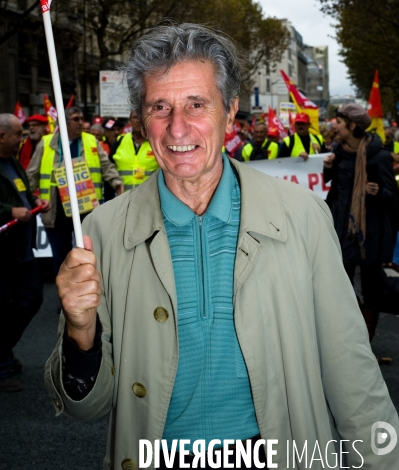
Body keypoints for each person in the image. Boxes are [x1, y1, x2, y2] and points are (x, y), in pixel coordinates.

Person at [46, 24, 398, 470]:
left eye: (197, 104)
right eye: (160, 106)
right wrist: (81, 331)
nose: (178, 126)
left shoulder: (303, 216)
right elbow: (87, 408)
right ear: (140, 118)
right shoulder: (103, 232)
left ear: (230, 111)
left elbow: (351, 369)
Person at [323, 104, 399, 341]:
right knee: (339, 288)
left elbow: (393, 198)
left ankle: (365, 344)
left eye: (339, 122)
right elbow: (333, 186)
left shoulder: (380, 156)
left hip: (369, 236)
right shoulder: (339, 151)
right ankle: (346, 342)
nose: (335, 125)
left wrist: (379, 193)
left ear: (352, 126)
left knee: (371, 292)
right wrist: (328, 167)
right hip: (341, 232)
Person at [27, 106, 124, 277]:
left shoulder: (91, 141)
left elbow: (106, 166)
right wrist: (30, 197)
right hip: (56, 213)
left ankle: (90, 297)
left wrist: (116, 182)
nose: (81, 122)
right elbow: (31, 175)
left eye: (81, 119)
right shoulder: (46, 143)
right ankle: (65, 301)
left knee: (89, 255)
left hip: (86, 209)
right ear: (64, 123)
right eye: (76, 119)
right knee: (61, 258)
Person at [0, 114, 50, 392]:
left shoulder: (14, 164)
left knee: (31, 299)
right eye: (18, 134)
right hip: (5, 251)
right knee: (4, 309)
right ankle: (3, 366)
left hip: (23, 247)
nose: (23, 139)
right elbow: (8, 206)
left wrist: (34, 202)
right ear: (2, 137)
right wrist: (10, 212)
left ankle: (4, 350)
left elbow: (23, 193)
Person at [110, 110, 159, 190]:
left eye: (141, 117)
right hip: (122, 198)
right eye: (135, 117)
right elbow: (109, 168)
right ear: (129, 121)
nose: (138, 120)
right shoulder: (120, 141)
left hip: (149, 197)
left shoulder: (156, 142)